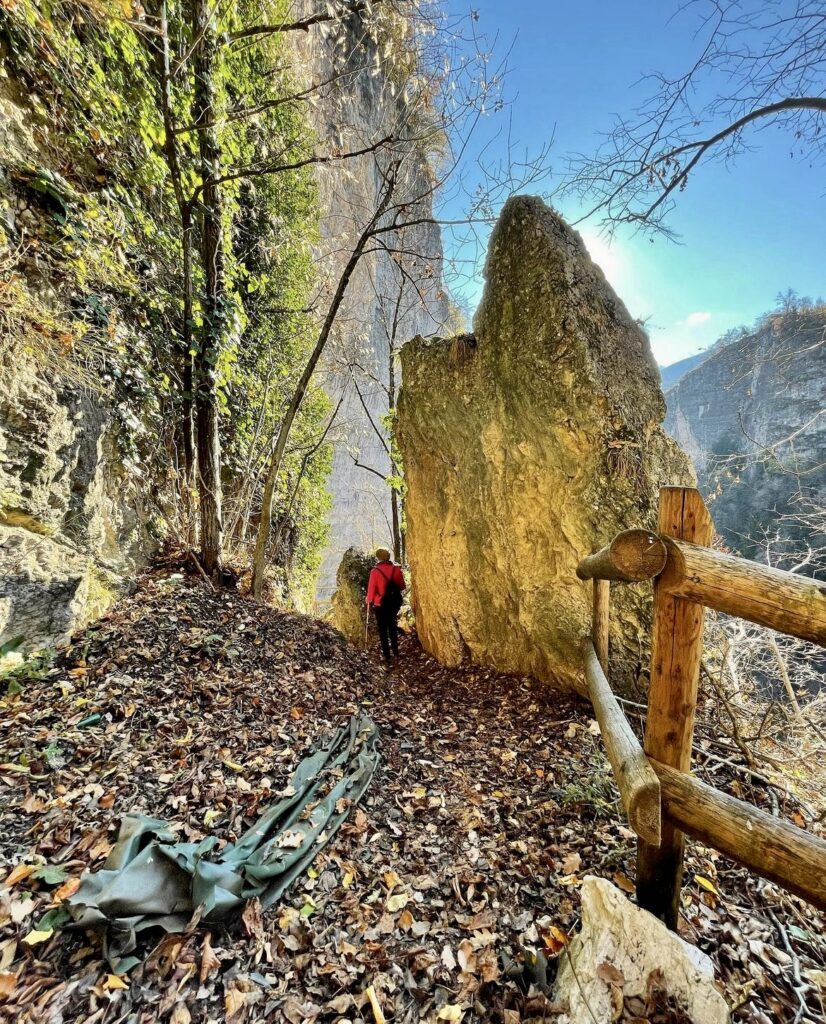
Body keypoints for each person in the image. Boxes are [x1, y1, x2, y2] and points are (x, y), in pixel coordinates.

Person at [366, 547, 406, 665]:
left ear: (378, 557)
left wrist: (369, 600)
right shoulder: (396, 570)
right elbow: (402, 585)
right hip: (393, 603)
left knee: (383, 630)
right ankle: (396, 652)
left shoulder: (375, 571)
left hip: (380, 604)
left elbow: (371, 589)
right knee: (392, 627)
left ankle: (387, 656)